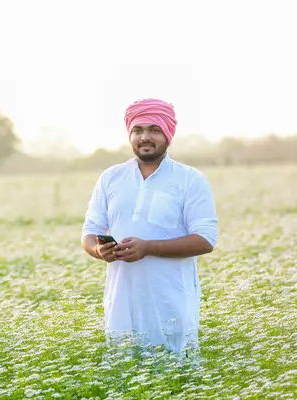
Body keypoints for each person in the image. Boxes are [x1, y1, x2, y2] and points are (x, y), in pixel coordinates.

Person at [81, 98, 218, 355]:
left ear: (168, 133)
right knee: (124, 374)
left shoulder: (190, 179)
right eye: (138, 130)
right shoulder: (111, 177)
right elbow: (89, 231)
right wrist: (100, 251)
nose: (145, 137)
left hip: (170, 301)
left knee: (176, 376)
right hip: (122, 300)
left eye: (154, 130)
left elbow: (206, 239)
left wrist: (149, 248)